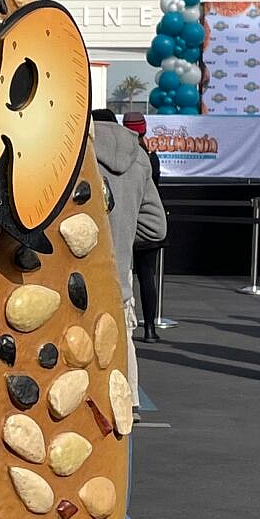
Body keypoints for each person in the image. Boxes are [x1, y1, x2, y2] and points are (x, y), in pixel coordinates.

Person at [92, 110, 167, 412]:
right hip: (120, 276)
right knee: (125, 340)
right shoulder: (140, 159)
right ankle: (130, 403)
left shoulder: (78, 157)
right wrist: (123, 235)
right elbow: (156, 226)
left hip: (80, 279)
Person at [121, 111, 169, 339]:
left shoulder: (121, 155)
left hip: (123, 222)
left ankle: (125, 323)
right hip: (145, 222)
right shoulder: (151, 157)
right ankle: (150, 327)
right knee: (147, 276)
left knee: (122, 274)